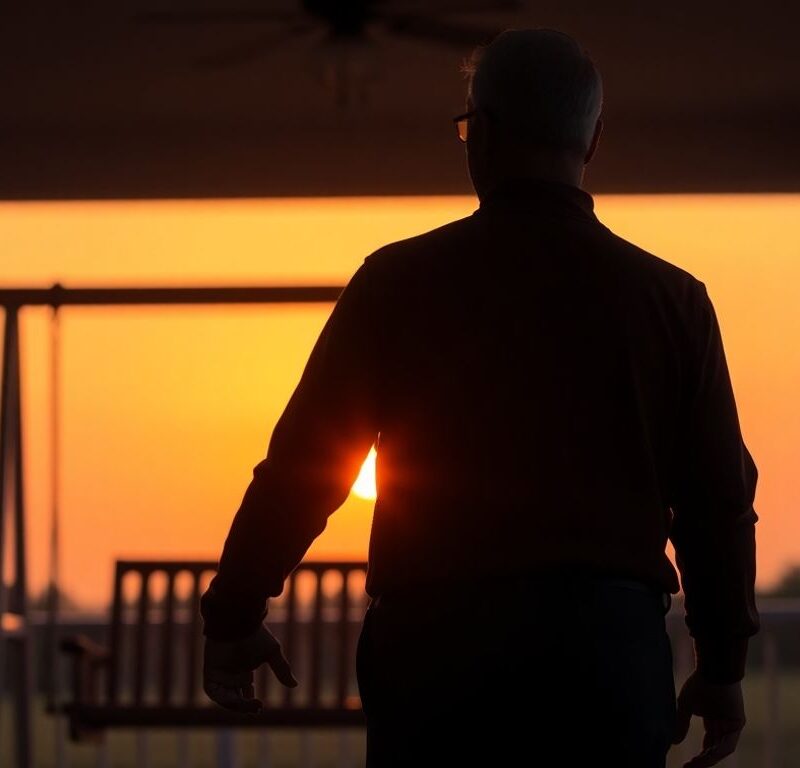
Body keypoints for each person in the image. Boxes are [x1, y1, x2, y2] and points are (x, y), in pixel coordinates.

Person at [200, 29, 759, 768]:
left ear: (483, 134)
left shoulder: (395, 285)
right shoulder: (675, 303)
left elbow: (304, 469)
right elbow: (718, 503)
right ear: (592, 141)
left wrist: (234, 612)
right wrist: (721, 664)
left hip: (435, 665)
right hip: (604, 664)